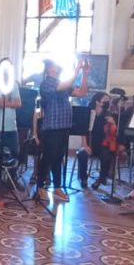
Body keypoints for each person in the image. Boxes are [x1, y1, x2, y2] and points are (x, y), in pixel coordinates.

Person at [38, 59, 89, 201]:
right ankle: (40, 187)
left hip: (64, 127)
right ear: (48, 69)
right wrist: (76, 70)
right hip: (51, 128)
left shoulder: (62, 83)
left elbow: (82, 92)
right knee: (48, 157)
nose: (58, 68)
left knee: (58, 158)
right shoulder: (46, 83)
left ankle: (57, 187)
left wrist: (85, 74)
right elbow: (62, 86)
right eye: (55, 66)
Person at [76, 92, 117, 190]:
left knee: (107, 155)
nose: (107, 101)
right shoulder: (89, 113)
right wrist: (85, 145)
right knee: (82, 154)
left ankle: (101, 179)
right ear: (97, 101)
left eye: (108, 100)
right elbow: (83, 131)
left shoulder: (108, 114)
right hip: (89, 143)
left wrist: (113, 123)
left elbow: (114, 132)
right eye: (105, 99)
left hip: (103, 143)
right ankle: (83, 178)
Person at [0, 76, 23, 188]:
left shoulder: (14, 84)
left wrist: (5, 103)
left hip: (11, 125)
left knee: (15, 153)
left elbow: (18, 103)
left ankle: (12, 180)